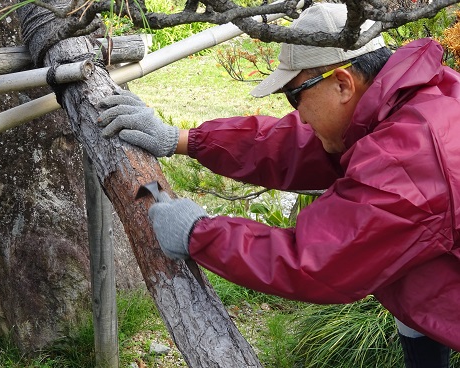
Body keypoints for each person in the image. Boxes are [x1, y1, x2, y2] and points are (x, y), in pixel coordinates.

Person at [97, 3, 459, 367]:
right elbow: (298, 146)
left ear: (343, 83)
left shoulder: (411, 158)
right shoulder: (413, 97)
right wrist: (182, 139)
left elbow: (318, 261)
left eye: (295, 95)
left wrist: (199, 234)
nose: (297, 112)